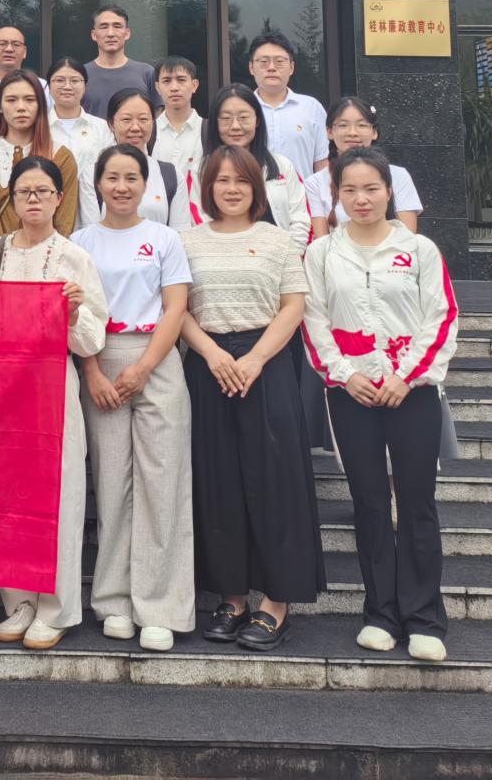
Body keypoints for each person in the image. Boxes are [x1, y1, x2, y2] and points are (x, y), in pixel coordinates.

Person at [302, 146, 458, 663]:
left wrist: (405, 376)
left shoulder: (419, 249)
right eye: (349, 190)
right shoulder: (322, 254)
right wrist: (345, 376)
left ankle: (424, 617)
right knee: (369, 503)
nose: (361, 199)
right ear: (336, 196)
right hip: (352, 394)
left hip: (413, 393)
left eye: (371, 188)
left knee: (416, 502)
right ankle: (381, 613)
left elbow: (441, 318)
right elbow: (314, 322)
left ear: (389, 191)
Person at [180, 144, 323, 653]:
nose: (231, 189)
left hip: (267, 363)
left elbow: (293, 306)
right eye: (221, 180)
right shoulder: (186, 241)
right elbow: (177, 308)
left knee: (275, 479)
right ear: (207, 188)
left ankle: (276, 603)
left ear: (256, 188)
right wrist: (212, 354)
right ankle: (233, 598)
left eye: (241, 180)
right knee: (217, 480)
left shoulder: (277, 240)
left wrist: (256, 359)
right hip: (208, 363)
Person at [0, 156, 108, 650]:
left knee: (60, 494)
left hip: (52, 383)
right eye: (24, 191)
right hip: (3, 389)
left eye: (43, 191)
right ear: (12, 199)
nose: (33, 199)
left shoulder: (74, 257)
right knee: (7, 495)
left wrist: (72, 315)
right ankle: (19, 601)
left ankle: (56, 607)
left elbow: (93, 338)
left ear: (58, 198)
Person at [73, 143, 195, 652]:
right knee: (112, 484)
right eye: (112, 178)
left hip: (157, 359)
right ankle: (114, 601)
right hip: (99, 359)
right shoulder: (80, 242)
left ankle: (160, 606)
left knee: (163, 484)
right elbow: (76, 316)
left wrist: (145, 368)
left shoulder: (164, 238)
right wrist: (92, 371)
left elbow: (176, 308)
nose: (121, 187)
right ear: (98, 184)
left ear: (146, 185)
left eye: (131, 178)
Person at [0, 70, 79, 251]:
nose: (21, 107)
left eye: (29, 100)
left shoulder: (61, 156)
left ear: (40, 105)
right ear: (0, 106)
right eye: (11, 100)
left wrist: (45, 257)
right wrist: (9, 258)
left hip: (50, 259)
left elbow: (64, 223)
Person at [196, 84, 310, 247]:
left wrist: (288, 255)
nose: (235, 126)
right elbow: (199, 221)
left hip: (279, 257)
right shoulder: (200, 171)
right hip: (222, 257)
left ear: (257, 120)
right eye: (226, 118)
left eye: (244, 117)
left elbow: (300, 219)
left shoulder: (282, 166)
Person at [307, 97, 423, 237]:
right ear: (330, 132)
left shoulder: (398, 176)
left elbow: (407, 236)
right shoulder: (315, 183)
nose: (352, 132)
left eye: (361, 125)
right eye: (343, 125)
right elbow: (321, 240)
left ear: (374, 132)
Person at [86, 89, 178, 228]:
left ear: (153, 123)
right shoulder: (91, 174)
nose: (135, 127)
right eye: (126, 120)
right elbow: (89, 232)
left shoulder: (171, 175)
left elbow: (180, 232)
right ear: (111, 124)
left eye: (143, 119)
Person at [248, 31, 328, 178]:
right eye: (264, 61)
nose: (271, 67)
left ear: (291, 67)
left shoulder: (311, 108)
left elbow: (322, 165)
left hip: (303, 193)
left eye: (279, 61)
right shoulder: (242, 108)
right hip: (255, 192)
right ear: (251, 68)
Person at [45, 57, 113, 225]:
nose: (67, 86)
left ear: (85, 87)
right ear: (49, 86)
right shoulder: (39, 128)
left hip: (95, 210)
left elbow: (111, 169)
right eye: (59, 80)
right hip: (51, 213)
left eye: (75, 81)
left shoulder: (101, 127)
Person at [83, 5, 159, 120]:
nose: (110, 33)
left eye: (117, 26)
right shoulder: (80, 74)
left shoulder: (147, 72)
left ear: (127, 33)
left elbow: (158, 115)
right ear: (94, 35)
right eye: (104, 27)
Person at [152, 56, 205, 185]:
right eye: (166, 81)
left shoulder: (208, 131)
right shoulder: (149, 132)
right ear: (157, 87)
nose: (174, 87)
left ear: (194, 85)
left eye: (181, 80)